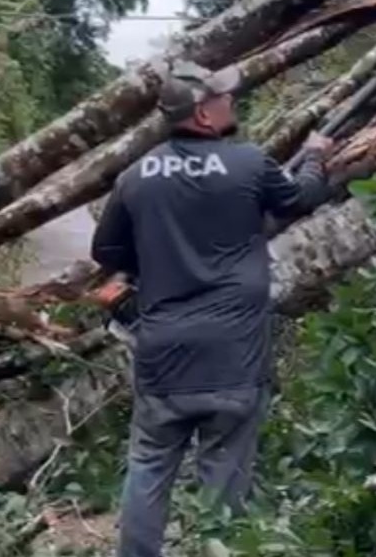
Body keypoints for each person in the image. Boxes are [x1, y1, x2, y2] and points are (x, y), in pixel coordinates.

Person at [91, 60, 333, 557]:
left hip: (163, 357)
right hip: (234, 358)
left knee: (149, 466)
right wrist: (313, 156)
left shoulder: (136, 177)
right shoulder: (247, 163)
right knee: (223, 483)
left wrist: (153, 260)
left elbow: (107, 253)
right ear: (202, 115)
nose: (233, 102)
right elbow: (301, 198)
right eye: (224, 97)